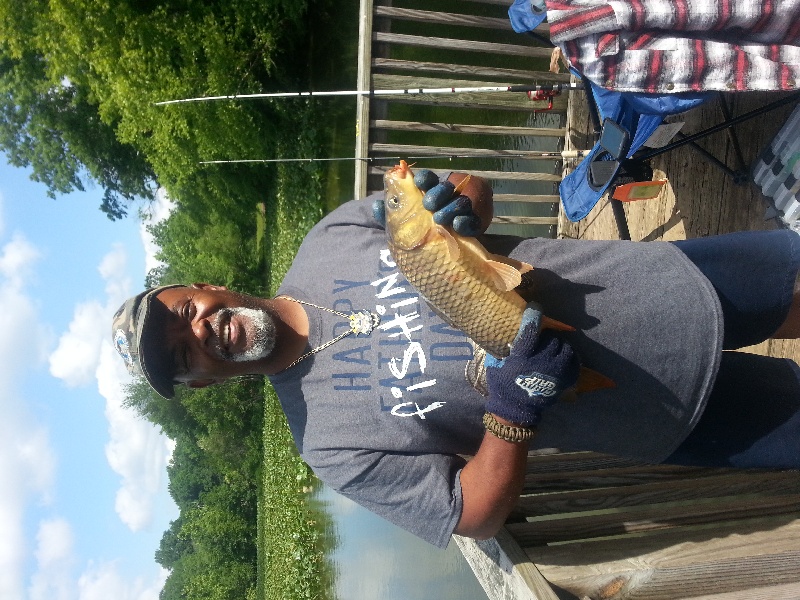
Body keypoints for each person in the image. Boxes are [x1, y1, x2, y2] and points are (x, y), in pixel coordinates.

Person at [111, 170, 800, 548]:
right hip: (660, 414)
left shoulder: (327, 238)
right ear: (199, 383)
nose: (197, 333)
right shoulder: (327, 445)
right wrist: (512, 409)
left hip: (650, 281)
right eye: (181, 358)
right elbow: (470, 514)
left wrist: (458, 209)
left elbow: (469, 187)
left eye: (181, 314)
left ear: (205, 288)